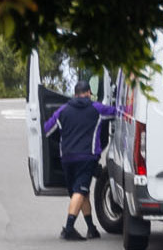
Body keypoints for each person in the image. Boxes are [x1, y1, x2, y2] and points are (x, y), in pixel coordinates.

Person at [44, 79, 117, 241]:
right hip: (86, 158)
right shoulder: (97, 108)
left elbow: (47, 130)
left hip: (67, 158)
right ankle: (68, 229)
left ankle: (91, 229)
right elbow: (117, 112)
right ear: (89, 93)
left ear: (75, 94)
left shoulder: (63, 111)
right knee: (80, 191)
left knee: (81, 193)